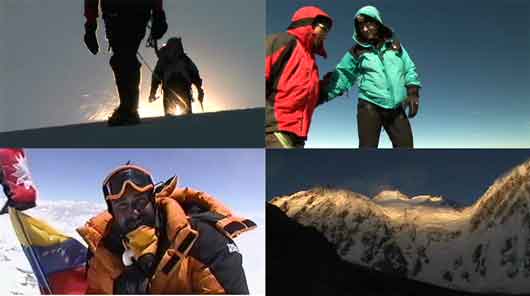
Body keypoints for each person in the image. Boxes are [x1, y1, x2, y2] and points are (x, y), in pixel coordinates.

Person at [77, 164, 255, 294]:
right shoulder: (102, 251)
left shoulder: (203, 241)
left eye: (140, 201)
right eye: (122, 206)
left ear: (153, 202)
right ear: (112, 213)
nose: (134, 212)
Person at [322, 5, 422, 148]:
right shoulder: (356, 51)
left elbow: (409, 68)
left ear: (377, 22)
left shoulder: (395, 46)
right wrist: (323, 94)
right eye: (361, 26)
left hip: (395, 108)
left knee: (406, 146)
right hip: (369, 106)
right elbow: (344, 75)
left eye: (368, 24)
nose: (365, 29)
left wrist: (413, 92)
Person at [83, 0, 168, 126]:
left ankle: (128, 109)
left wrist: (90, 26)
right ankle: (128, 107)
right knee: (124, 57)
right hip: (132, 11)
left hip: (120, 12)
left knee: (123, 57)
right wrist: (158, 13)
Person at [265, 6, 333, 148]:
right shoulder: (283, 41)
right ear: (307, 24)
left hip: (298, 136)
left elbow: (307, 97)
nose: (326, 35)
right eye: (323, 28)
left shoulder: (310, 61)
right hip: (275, 129)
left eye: (328, 31)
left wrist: (328, 85)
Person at [148, 37, 204, 116]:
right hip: (184, 90)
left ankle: (170, 127)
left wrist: (152, 93)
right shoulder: (185, 60)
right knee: (187, 118)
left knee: (170, 118)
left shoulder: (163, 60)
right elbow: (195, 75)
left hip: (169, 91)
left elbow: (155, 78)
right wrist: (200, 90)